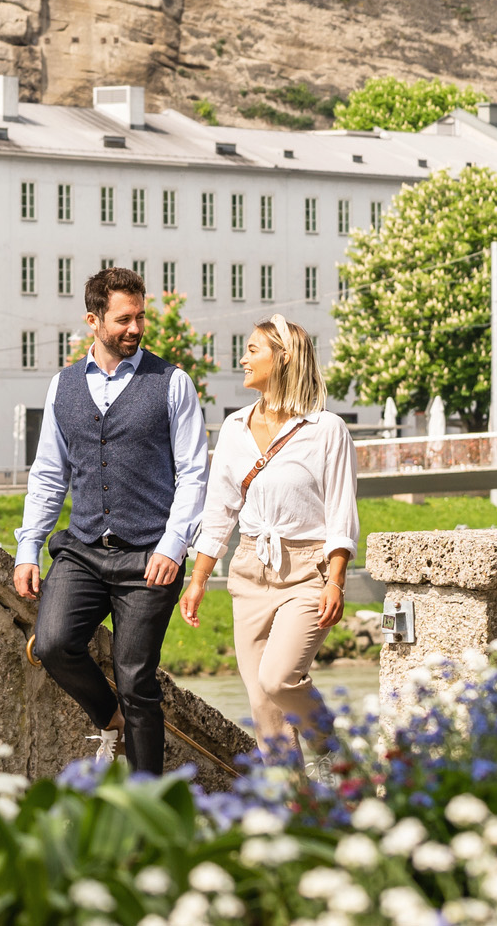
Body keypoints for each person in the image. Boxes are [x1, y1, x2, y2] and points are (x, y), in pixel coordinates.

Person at [14, 266, 209, 774]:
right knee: (54, 644)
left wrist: (173, 546)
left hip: (149, 554)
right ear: (93, 320)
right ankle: (108, 718)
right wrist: (27, 548)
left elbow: (193, 474)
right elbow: (49, 474)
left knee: (136, 680)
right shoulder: (62, 387)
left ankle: (151, 808)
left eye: (141, 317)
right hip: (82, 549)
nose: (136, 328)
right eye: (124, 319)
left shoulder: (172, 383)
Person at [181, 316, 357, 753]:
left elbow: (341, 511)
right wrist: (199, 579)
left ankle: (332, 753)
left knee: (279, 678)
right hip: (249, 570)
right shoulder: (235, 429)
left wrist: (335, 579)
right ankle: (293, 809)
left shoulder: (325, 429)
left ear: (283, 358)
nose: (243, 359)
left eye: (253, 349)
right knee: (264, 707)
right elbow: (220, 509)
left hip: (307, 572)